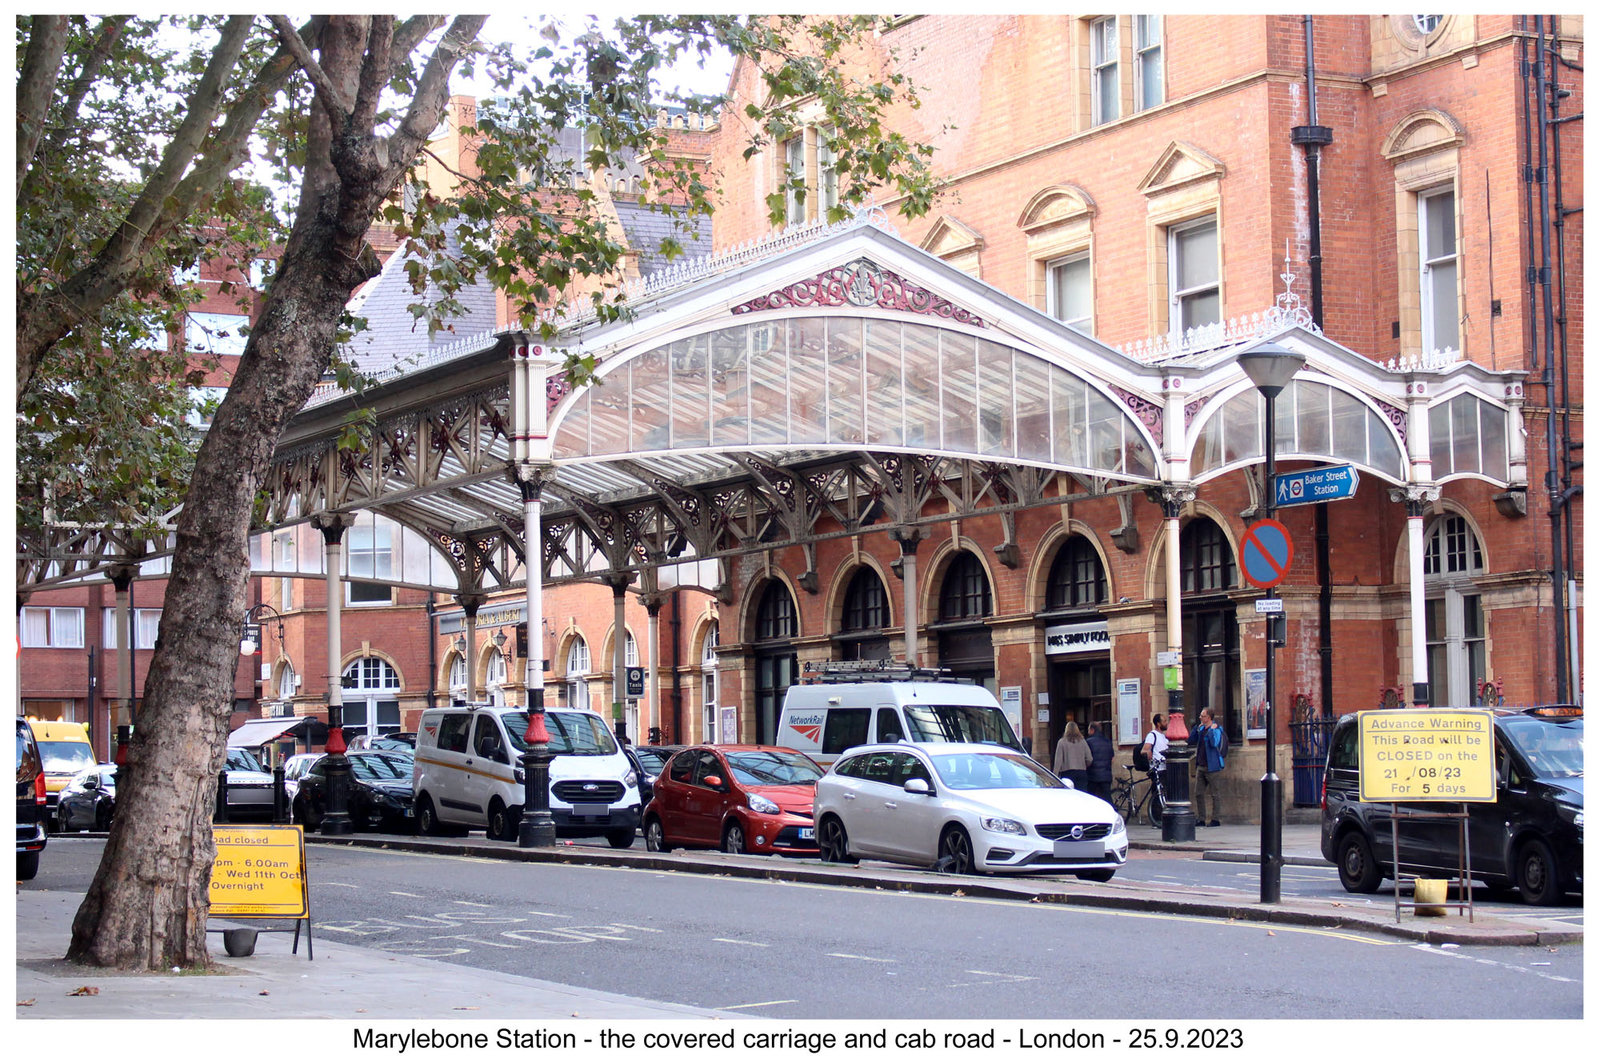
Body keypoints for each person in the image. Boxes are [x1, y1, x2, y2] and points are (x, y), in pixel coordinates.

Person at [1192, 707, 1225, 827]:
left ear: (1208, 718)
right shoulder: (1201, 729)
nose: (1200, 718)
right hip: (1201, 765)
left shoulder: (1216, 729)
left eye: (1202, 716)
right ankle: (1201, 818)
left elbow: (1214, 743)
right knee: (1198, 793)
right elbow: (1191, 740)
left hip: (1212, 766)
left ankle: (1215, 819)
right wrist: (1196, 728)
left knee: (1215, 794)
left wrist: (1211, 730)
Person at [1052, 720, 1091, 791]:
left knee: (1069, 794)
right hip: (1081, 772)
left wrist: (1055, 776)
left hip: (1067, 772)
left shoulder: (1061, 742)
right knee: (1082, 794)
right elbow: (1089, 758)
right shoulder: (1083, 741)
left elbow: (1058, 761)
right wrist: (1084, 765)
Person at [1084, 721, 1114, 803]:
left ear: (1092, 730)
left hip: (1092, 775)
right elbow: (1112, 757)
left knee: (1090, 798)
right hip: (1106, 774)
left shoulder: (1088, 742)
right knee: (1107, 797)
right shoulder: (1107, 741)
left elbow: (1086, 758)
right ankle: (1113, 812)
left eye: (1089, 729)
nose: (1088, 732)